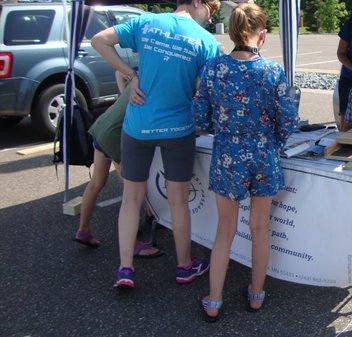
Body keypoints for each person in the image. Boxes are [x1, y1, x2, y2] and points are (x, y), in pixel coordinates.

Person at [91, 0, 221, 289]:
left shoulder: (146, 22)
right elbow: (212, 88)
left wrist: (129, 74)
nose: (209, 19)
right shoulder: (205, 41)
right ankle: (184, 266)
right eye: (210, 11)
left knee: (131, 198)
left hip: (138, 125)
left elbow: (99, 40)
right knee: (178, 201)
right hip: (178, 129)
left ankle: (125, 268)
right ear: (197, 3)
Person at [193, 3, 298, 322]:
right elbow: (289, 119)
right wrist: (272, 142)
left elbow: (200, 117)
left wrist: (225, 128)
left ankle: (213, 300)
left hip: (227, 155)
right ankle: (256, 294)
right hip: (263, 155)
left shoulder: (213, 69)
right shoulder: (272, 71)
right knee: (260, 227)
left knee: (224, 230)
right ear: (261, 35)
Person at [73, 71, 163, 259]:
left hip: (103, 127)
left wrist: (124, 92)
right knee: (133, 191)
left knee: (97, 182)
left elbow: (117, 72)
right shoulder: (158, 86)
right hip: (117, 135)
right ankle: (133, 244)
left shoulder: (141, 75)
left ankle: (83, 230)